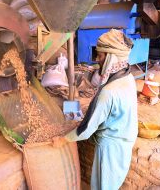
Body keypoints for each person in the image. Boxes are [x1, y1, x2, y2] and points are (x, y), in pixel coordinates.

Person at [53, 29, 138, 190]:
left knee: (102, 185)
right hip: (124, 139)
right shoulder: (128, 77)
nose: (97, 59)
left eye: (100, 55)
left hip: (110, 148)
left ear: (110, 57)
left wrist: (62, 139)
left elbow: (86, 130)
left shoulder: (109, 92)